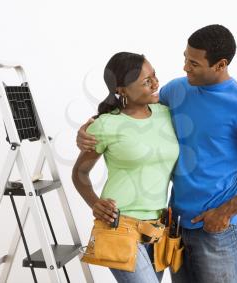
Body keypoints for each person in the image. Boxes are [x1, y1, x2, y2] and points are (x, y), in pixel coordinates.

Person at [76, 25, 237, 283]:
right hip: (173, 226)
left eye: (194, 63)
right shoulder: (175, 91)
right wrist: (88, 128)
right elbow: (132, 113)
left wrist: (225, 212)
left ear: (220, 65)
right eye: (185, 58)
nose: (185, 67)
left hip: (216, 231)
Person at [72, 52, 179, 283]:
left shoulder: (166, 113)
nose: (155, 84)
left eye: (154, 76)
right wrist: (94, 202)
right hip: (119, 226)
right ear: (121, 90)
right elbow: (80, 172)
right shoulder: (106, 125)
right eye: (145, 81)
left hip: (157, 230)